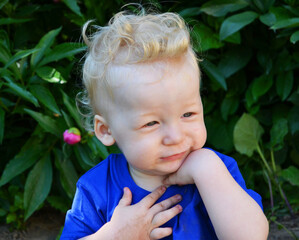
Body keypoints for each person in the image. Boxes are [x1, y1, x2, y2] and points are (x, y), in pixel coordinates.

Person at [61, 10, 269, 240]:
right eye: (151, 123)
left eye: (188, 114)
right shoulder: (97, 188)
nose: (176, 136)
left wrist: (208, 170)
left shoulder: (217, 172)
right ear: (106, 130)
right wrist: (115, 236)